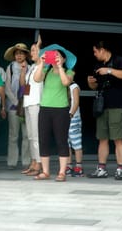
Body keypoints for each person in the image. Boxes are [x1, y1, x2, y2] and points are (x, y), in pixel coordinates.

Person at [86, 41, 122, 180]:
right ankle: (101, 168)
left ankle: (120, 169)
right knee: (102, 138)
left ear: (102, 49)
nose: (94, 54)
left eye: (95, 51)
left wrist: (109, 70)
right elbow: (95, 86)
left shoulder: (119, 60)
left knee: (118, 138)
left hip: (117, 105)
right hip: (102, 106)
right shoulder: (98, 65)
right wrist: (91, 83)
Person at [33, 44, 76, 182]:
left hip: (61, 110)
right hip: (45, 108)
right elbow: (36, 79)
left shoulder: (69, 72)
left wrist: (60, 67)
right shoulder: (46, 71)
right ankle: (45, 172)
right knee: (43, 140)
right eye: (54, 55)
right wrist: (42, 63)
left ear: (63, 59)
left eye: (58, 55)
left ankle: (62, 172)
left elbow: (65, 82)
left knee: (61, 141)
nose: (55, 57)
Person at [4, 42, 31, 170]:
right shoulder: (9, 67)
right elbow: (7, 87)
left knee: (26, 135)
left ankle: (26, 161)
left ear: (26, 55)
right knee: (13, 134)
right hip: (13, 105)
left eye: (21, 53)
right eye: (17, 53)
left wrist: (24, 102)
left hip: (27, 105)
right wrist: (15, 101)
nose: (19, 55)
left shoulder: (31, 68)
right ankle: (12, 161)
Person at [21, 35, 43, 176]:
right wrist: (23, 70)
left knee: (35, 136)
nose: (32, 53)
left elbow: (37, 79)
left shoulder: (41, 66)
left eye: (34, 50)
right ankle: (33, 161)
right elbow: (23, 85)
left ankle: (39, 164)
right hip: (27, 103)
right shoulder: (31, 67)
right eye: (31, 50)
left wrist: (40, 46)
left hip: (36, 104)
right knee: (30, 136)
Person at [65, 81, 84, 177]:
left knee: (76, 143)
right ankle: (68, 165)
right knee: (66, 143)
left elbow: (76, 102)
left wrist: (71, 114)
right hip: (63, 118)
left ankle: (79, 166)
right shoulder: (63, 86)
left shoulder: (74, 86)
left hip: (73, 118)